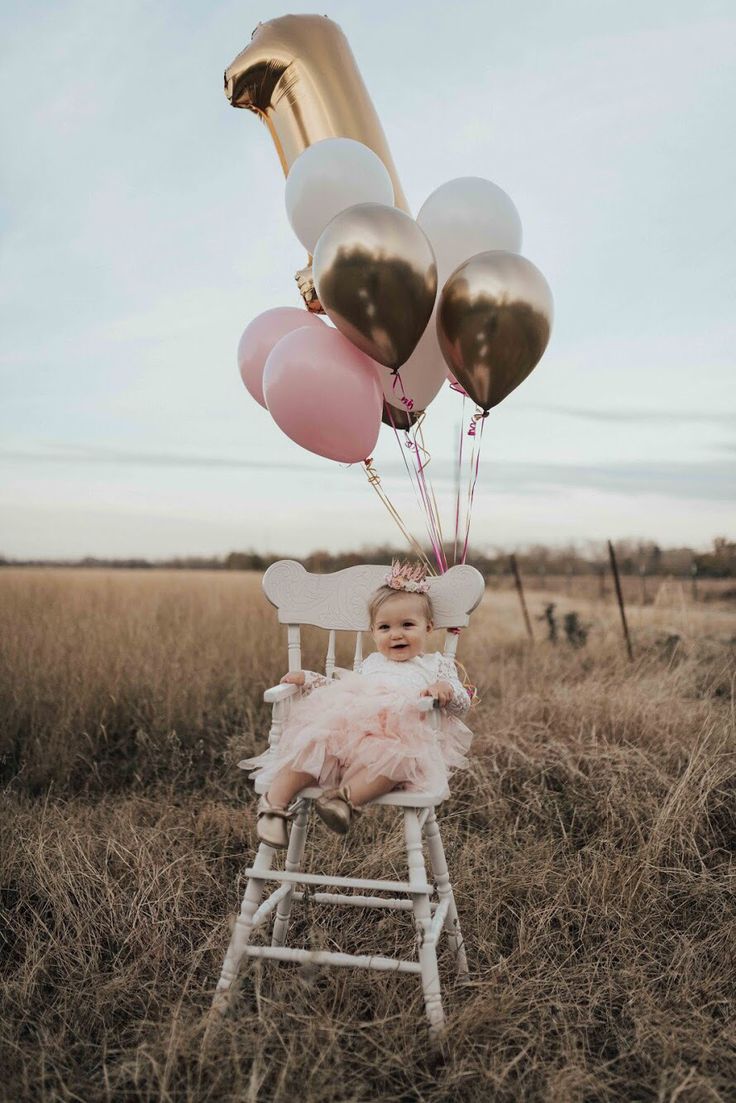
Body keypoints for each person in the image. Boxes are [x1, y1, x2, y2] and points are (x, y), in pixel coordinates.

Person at [239, 560, 473, 849]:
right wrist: (309, 679)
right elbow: (341, 687)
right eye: (384, 627)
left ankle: (343, 799)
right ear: (373, 632)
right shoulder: (371, 662)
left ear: (429, 626)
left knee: (400, 761)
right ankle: (274, 806)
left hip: (396, 740)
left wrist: (445, 689)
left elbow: (462, 703)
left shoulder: (437, 665)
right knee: (314, 746)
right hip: (346, 730)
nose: (396, 634)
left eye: (407, 625)